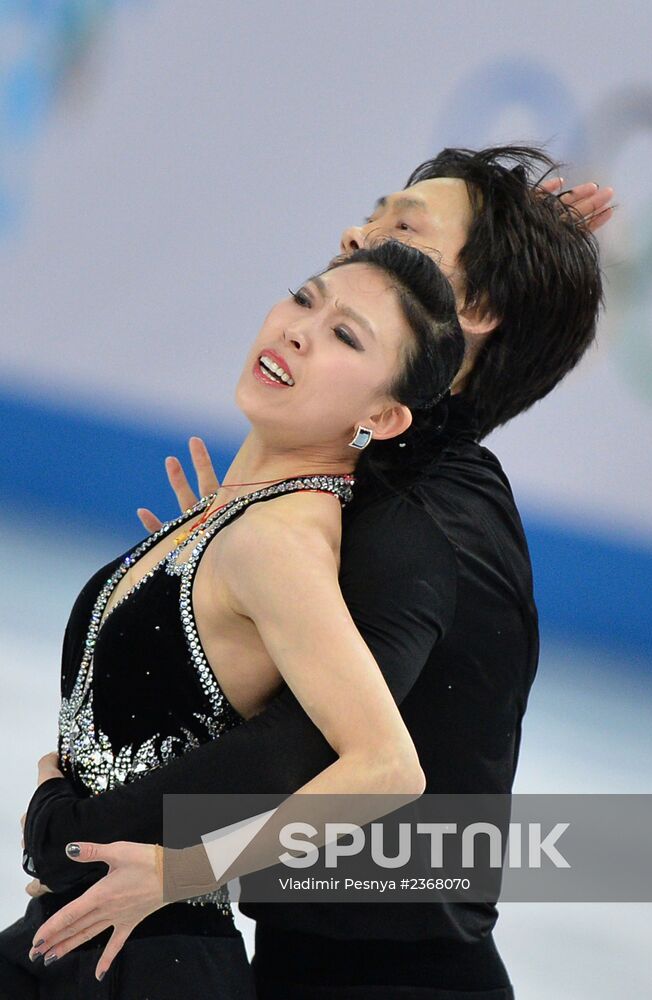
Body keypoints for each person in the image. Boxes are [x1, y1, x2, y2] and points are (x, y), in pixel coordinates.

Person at [19, 146, 610, 998]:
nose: (355, 234)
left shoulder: (427, 522)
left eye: (400, 228)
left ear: (474, 311)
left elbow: (314, 749)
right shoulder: (355, 480)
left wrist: (79, 834)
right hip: (310, 955)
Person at [1, 240, 466, 998]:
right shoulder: (239, 514)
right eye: (305, 299)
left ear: (381, 416)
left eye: (346, 336)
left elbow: (386, 767)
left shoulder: (279, 540)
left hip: (152, 963)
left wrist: (177, 871)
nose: (298, 330)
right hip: (80, 942)